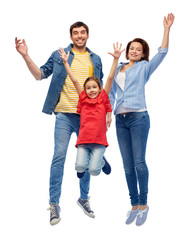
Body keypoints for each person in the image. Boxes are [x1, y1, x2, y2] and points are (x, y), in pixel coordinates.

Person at [15, 21, 111, 225]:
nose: (79, 36)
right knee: (59, 157)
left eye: (82, 32)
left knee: (84, 160)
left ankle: (84, 198)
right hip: (64, 115)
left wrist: (108, 112)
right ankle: (53, 204)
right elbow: (39, 75)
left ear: (87, 35)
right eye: (75, 33)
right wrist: (25, 55)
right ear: (71, 36)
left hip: (88, 117)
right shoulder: (60, 55)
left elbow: (101, 90)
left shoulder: (96, 59)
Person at [109, 13, 174, 226]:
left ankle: (144, 204)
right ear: (127, 51)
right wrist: (109, 112)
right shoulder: (118, 68)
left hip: (138, 118)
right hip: (120, 119)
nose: (134, 51)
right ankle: (134, 205)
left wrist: (166, 28)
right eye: (132, 48)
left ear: (143, 53)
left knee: (139, 163)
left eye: (138, 49)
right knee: (127, 166)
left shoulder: (145, 67)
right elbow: (109, 92)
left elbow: (162, 52)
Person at [58, 43, 124, 178]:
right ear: (85, 90)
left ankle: (101, 162)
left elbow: (110, 78)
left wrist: (115, 59)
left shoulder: (103, 98)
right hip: (83, 141)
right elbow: (75, 80)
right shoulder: (83, 99)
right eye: (88, 88)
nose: (91, 90)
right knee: (80, 167)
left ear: (99, 89)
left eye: (94, 87)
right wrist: (66, 63)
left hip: (99, 142)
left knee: (94, 171)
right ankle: (87, 162)